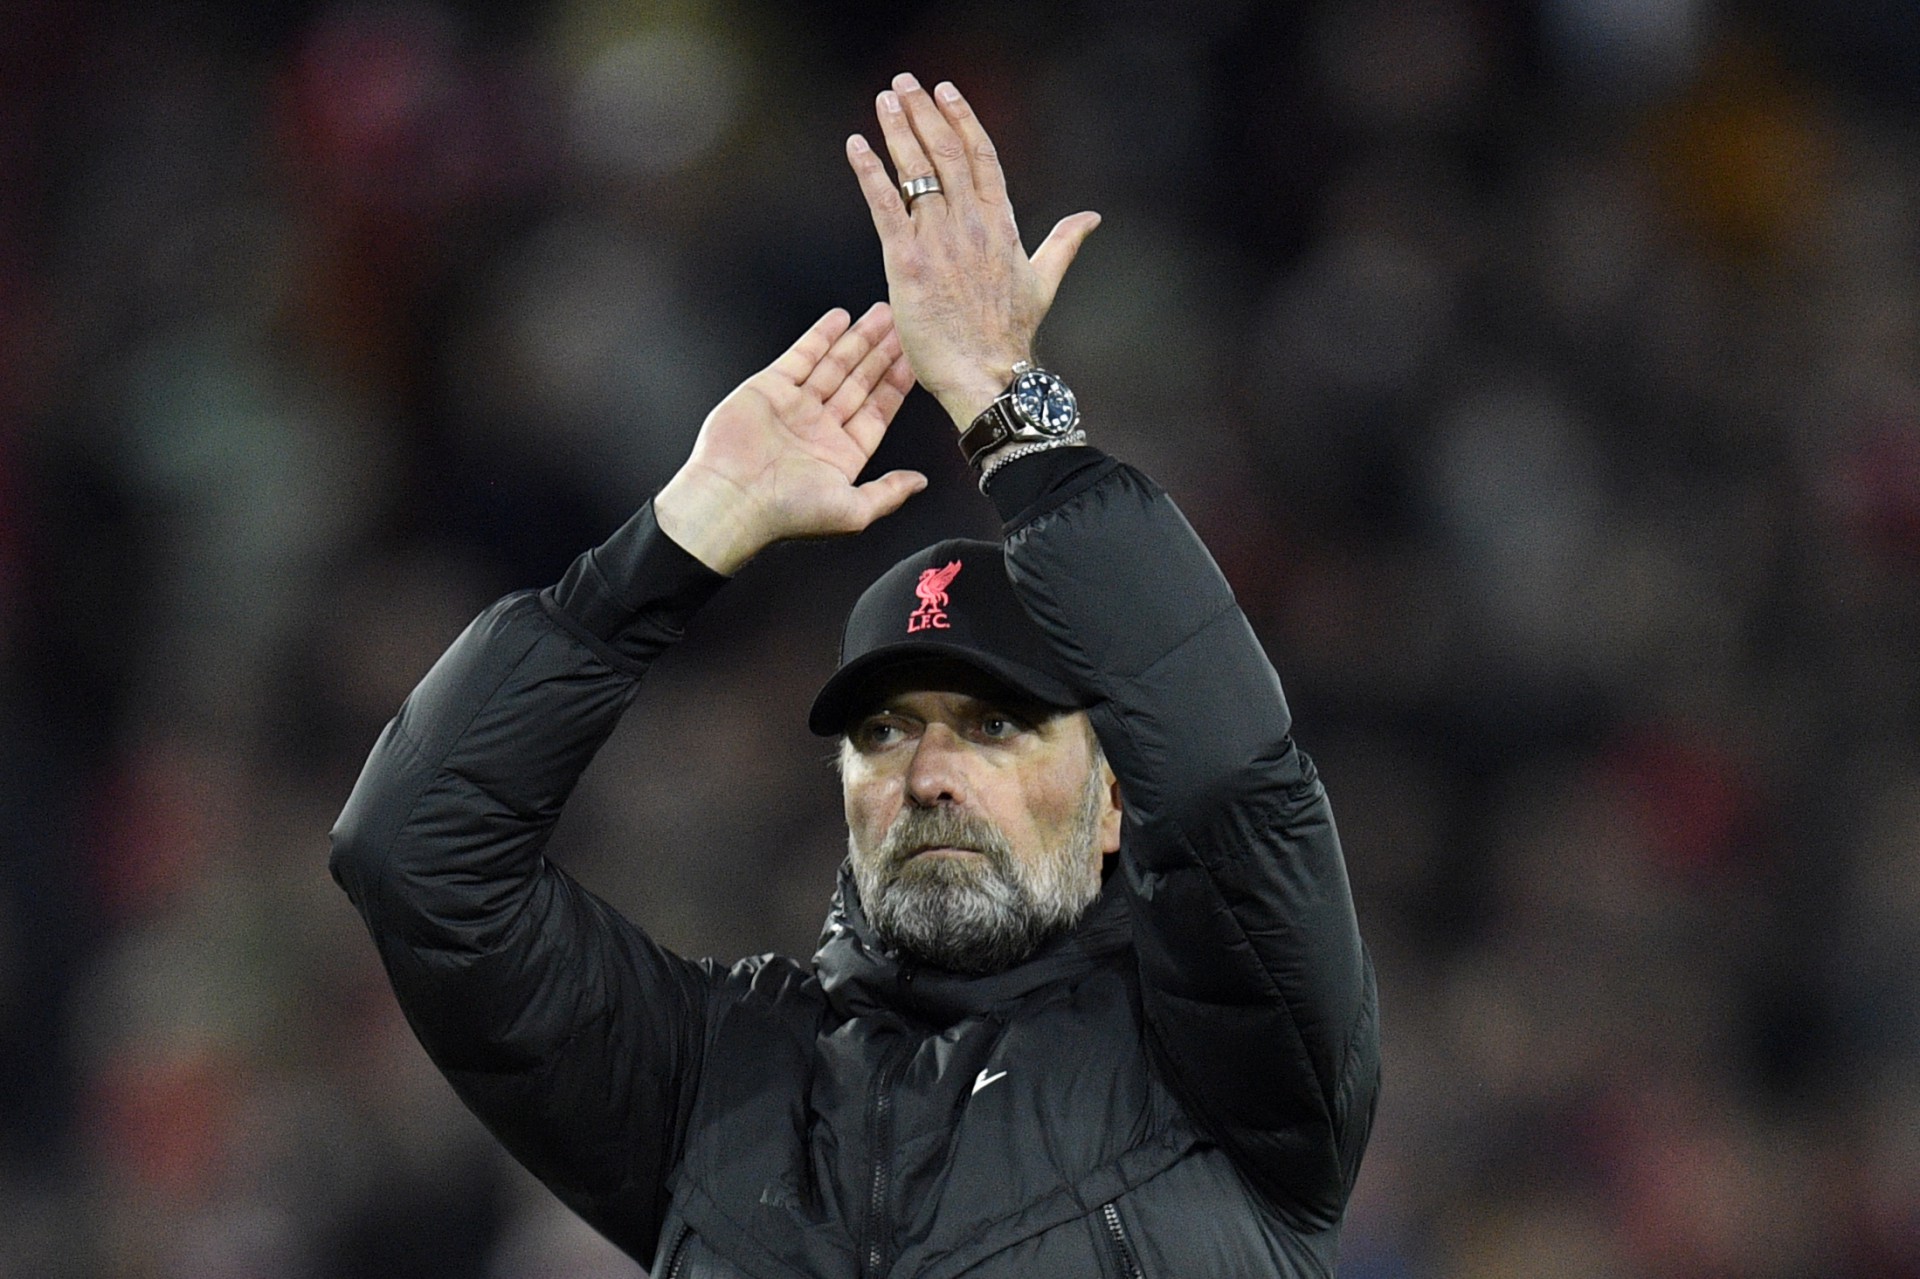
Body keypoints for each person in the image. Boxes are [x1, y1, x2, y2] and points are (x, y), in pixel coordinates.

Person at [330, 73, 1379, 1277]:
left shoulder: (1233, 1066)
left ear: (1113, 804)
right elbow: (414, 860)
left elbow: (1231, 787)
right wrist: (675, 540)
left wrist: (1008, 410)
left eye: (994, 724)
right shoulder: (708, 1080)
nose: (928, 771)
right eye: (881, 732)